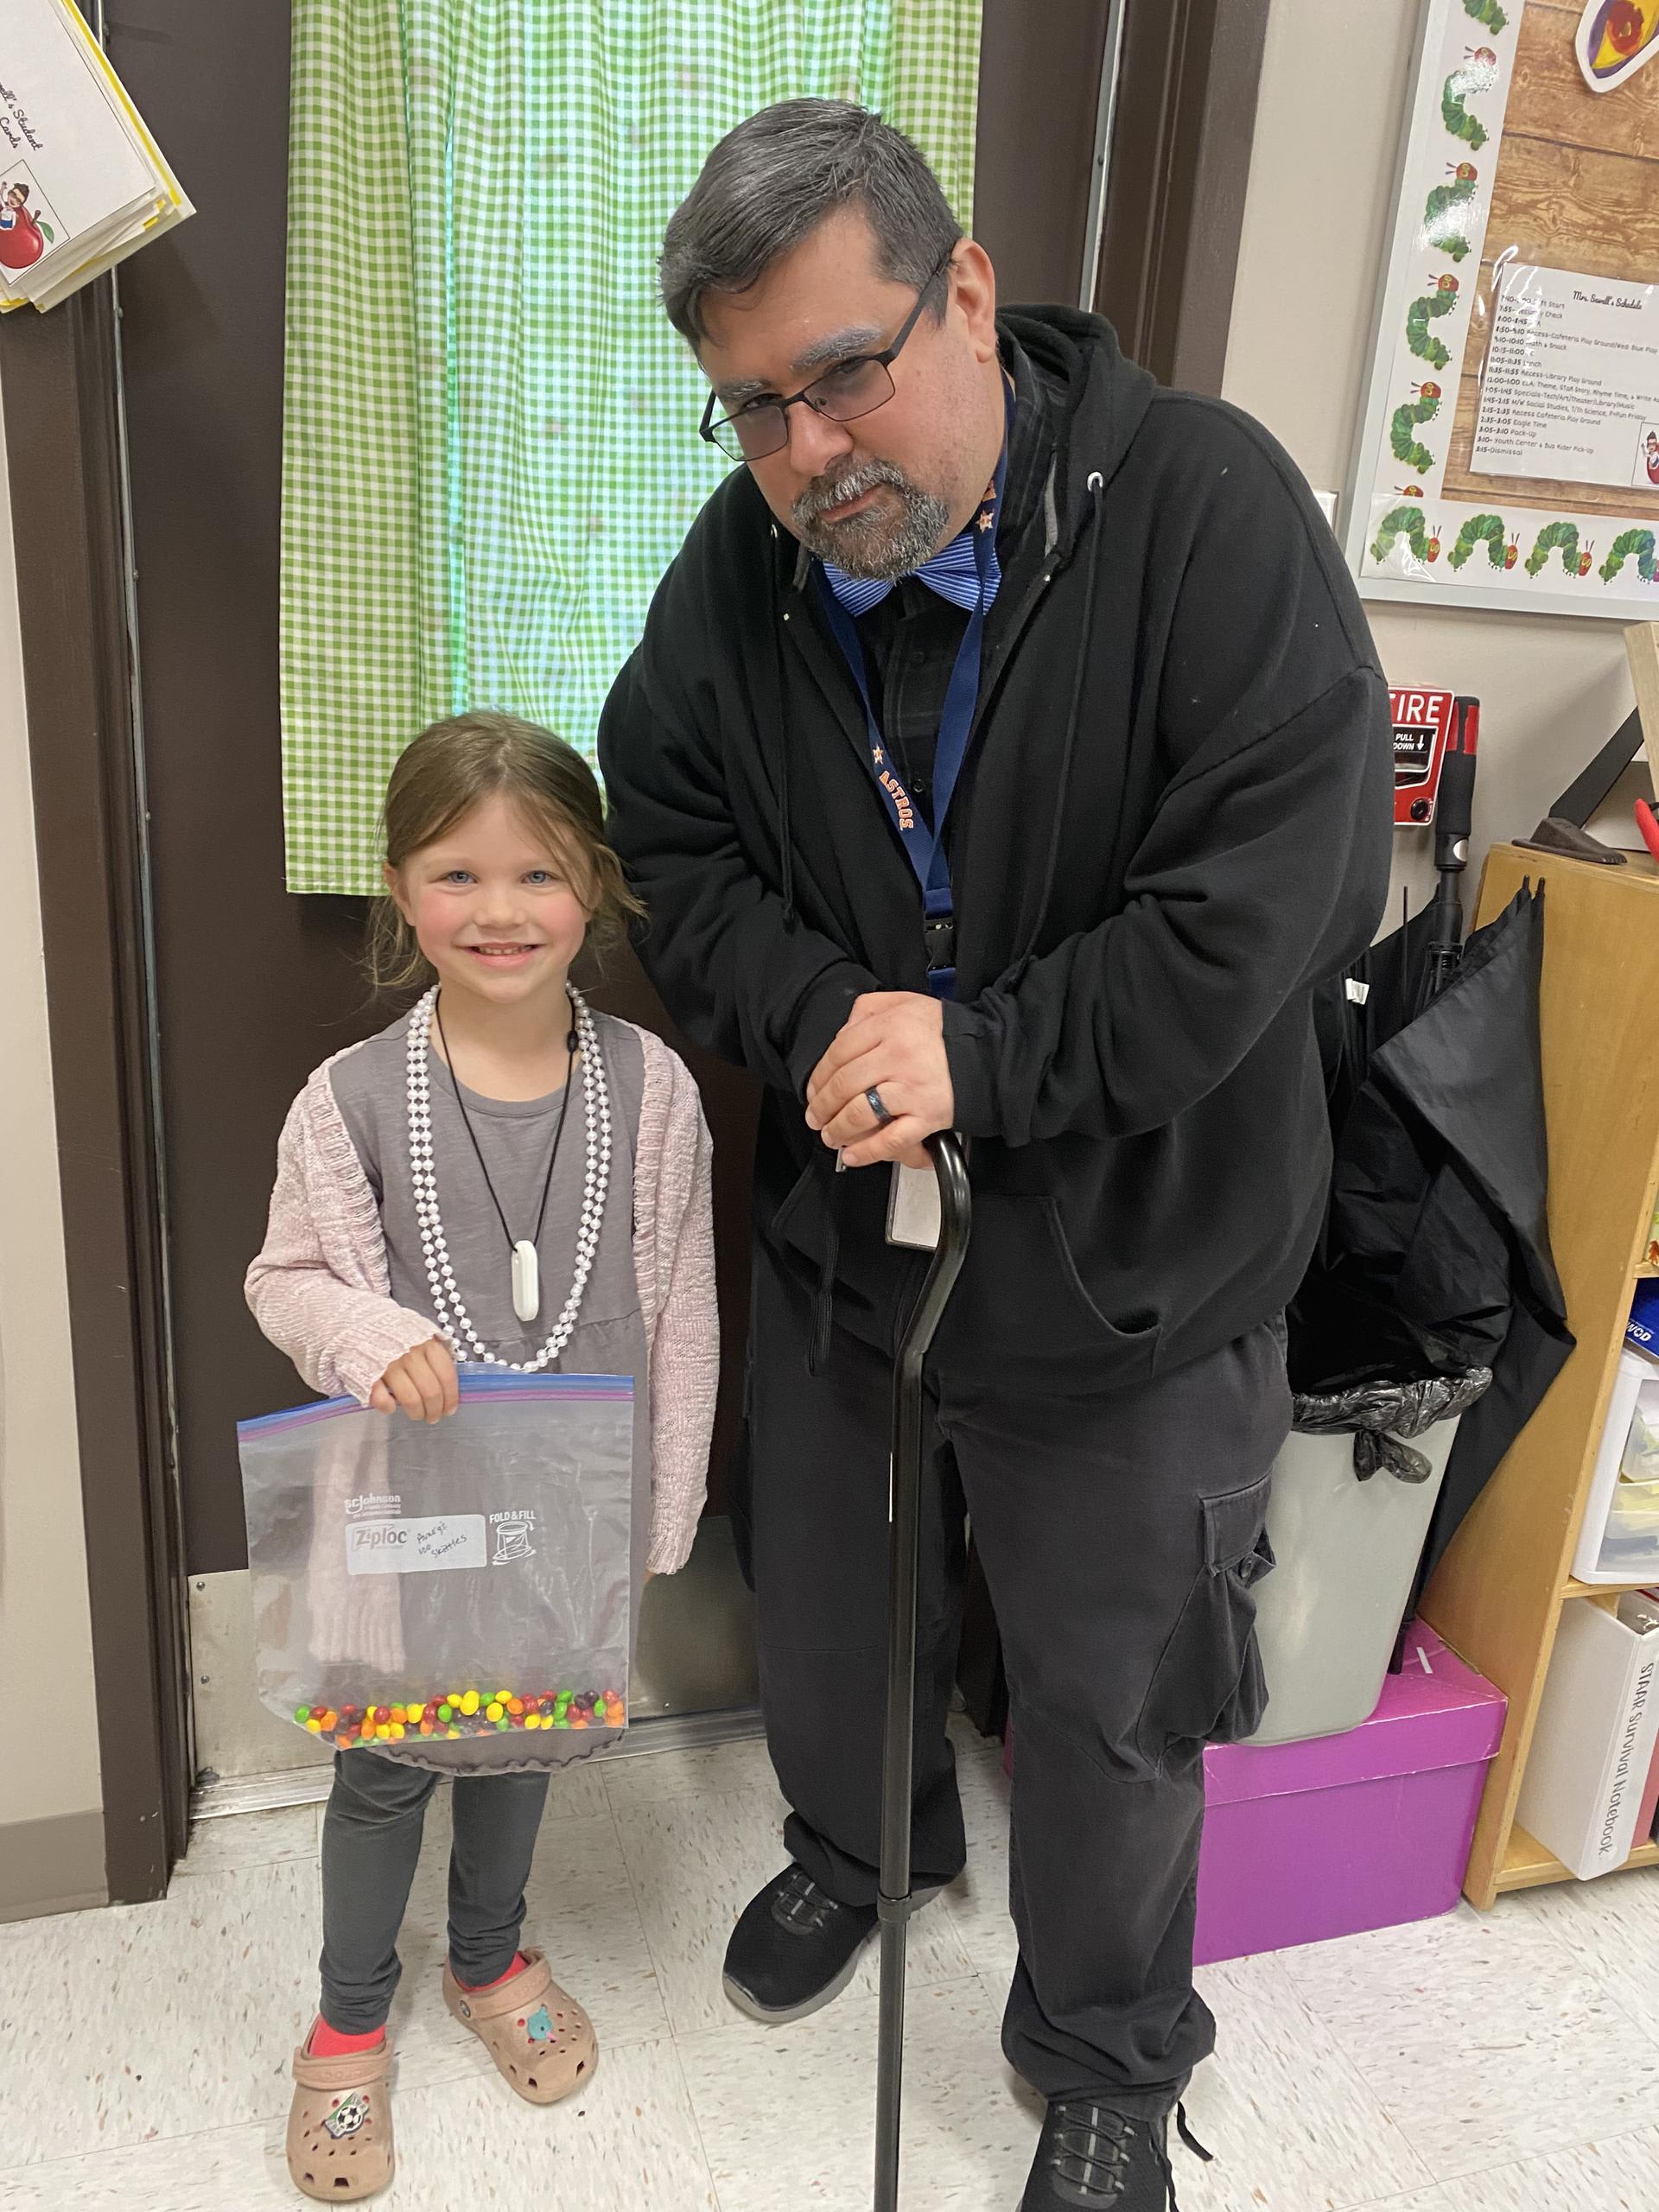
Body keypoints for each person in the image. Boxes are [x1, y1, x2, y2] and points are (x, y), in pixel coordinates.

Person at [599, 100, 1391, 2212]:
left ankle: (1110, 2045)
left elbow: (1277, 901)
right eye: (752, 409)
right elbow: (667, 828)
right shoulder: (745, 573)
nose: (805, 451)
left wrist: (988, 1049)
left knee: (1117, 1694)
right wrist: (821, 1017)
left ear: (963, 293)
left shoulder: (1204, 507)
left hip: (1137, 1267)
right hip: (858, 1240)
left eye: (843, 372)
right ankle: (864, 1845)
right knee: (828, 1598)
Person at [246, 713, 717, 2202]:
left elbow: (684, 1302)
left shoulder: (653, 1092)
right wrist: (364, 1331)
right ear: (399, 888)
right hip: (408, 1520)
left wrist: (665, 1503)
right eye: (457, 875)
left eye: (539, 874)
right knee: (386, 1772)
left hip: (568, 1518)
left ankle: (490, 1957)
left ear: (597, 886)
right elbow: (284, 1277)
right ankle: (347, 2019)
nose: (499, 911)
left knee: (524, 1744)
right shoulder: (348, 1098)